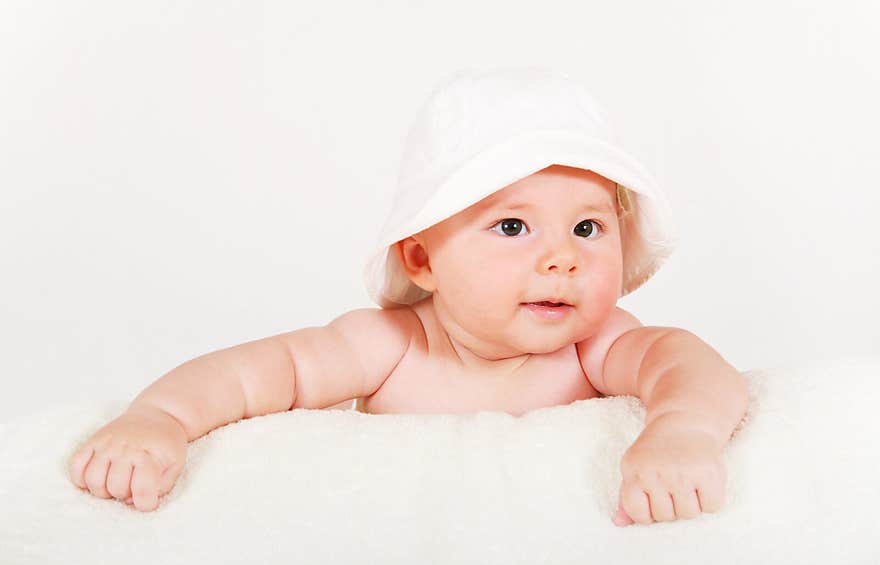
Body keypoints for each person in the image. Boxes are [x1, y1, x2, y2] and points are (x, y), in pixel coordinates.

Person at [68, 68, 749, 526]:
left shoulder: (594, 345)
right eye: (513, 225)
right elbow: (261, 370)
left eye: (588, 226)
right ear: (421, 256)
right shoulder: (391, 347)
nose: (563, 256)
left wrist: (681, 430)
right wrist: (160, 416)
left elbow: (689, 366)